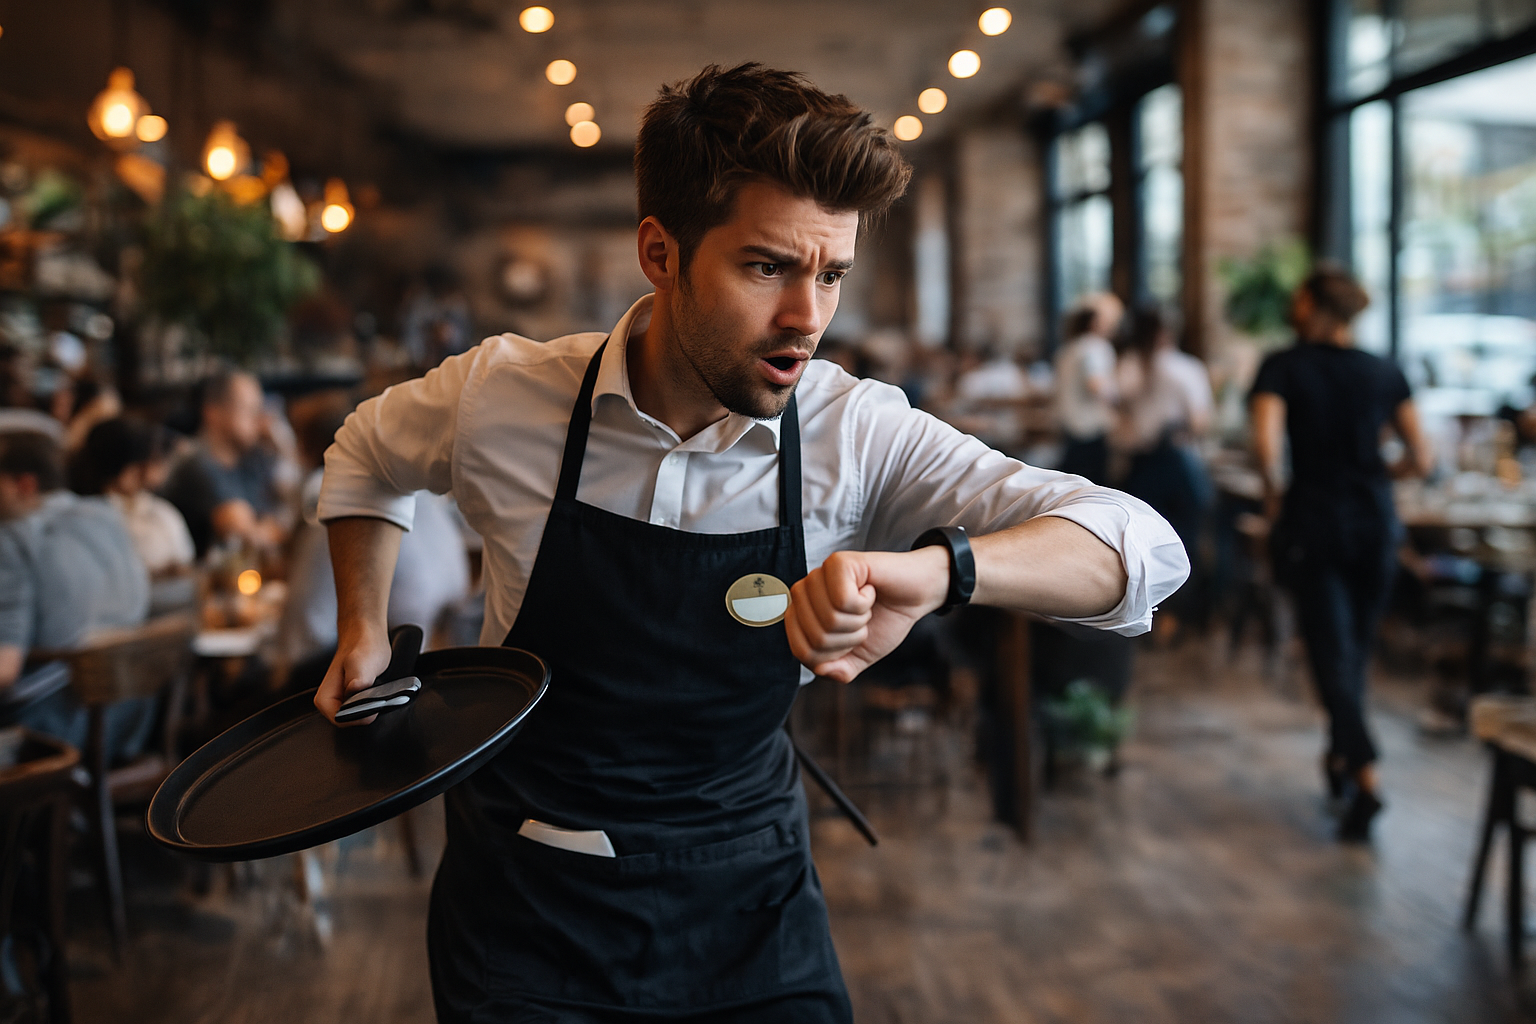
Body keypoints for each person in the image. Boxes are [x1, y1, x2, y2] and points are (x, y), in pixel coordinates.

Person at [315, 63, 1189, 1023]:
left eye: (832, 275)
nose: (806, 319)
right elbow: (364, 453)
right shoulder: (504, 398)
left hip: (751, 897)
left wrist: (944, 571)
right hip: (527, 906)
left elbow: (1140, 546)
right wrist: (362, 625)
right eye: (766, 267)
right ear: (662, 253)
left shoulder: (857, 432)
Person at [1250, 265, 1432, 842]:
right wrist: (1376, 477)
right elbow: (1422, 460)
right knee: (1351, 650)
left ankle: (1367, 776)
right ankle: (1340, 760)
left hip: (1315, 520)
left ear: (1313, 306)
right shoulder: (1384, 370)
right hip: (1376, 523)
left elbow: (1265, 450)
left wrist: (1277, 498)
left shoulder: (1283, 366)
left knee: (1330, 652)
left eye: (1300, 298)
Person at [0, 431, 154, 759]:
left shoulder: (13, 540)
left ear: (24, 485)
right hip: (130, 719)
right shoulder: (108, 516)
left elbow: (4, 668)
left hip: (51, 738)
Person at [1114, 304, 1214, 568]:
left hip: (1139, 463)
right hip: (1175, 460)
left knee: (1141, 539)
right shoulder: (1185, 368)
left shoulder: (1127, 366)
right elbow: (1199, 422)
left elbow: (1118, 413)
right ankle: (1182, 602)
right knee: (1181, 539)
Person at [162, 369, 290, 558]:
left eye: (259, 410)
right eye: (249, 410)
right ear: (212, 412)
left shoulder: (251, 460)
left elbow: (282, 518)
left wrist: (284, 450)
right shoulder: (196, 464)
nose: (260, 420)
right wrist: (272, 530)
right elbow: (249, 537)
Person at [74, 417, 195, 576]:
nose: (154, 469)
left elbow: (187, 564)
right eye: (150, 459)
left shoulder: (162, 512)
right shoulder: (90, 520)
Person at [1055, 292, 1123, 483]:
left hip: (1069, 425)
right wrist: (1119, 400)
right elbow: (1095, 384)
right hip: (1090, 428)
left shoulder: (1069, 348)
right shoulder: (1094, 347)